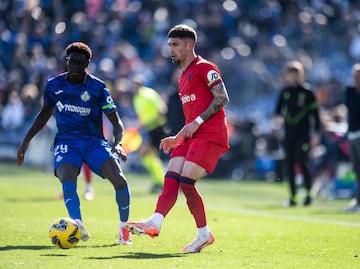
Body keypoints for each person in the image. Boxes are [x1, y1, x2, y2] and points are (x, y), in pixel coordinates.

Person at [126, 24, 230, 253]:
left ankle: (203, 233)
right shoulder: (183, 77)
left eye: (175, 45)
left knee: (186, 181)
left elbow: (222, 98)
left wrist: (196, 124)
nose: (171, 50)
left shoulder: (206, 67)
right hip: (191, 135)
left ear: (190, 44)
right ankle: (155, 221)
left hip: (210, 134)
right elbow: (192, 116)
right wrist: (178, 137)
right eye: (169, 45)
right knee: (171, 176)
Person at [17, 42, 132, 245]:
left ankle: (124, 228)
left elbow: (116, 122)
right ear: (66, 61)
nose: (75, 66)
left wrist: (118, 142)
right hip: (67, 142)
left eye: (80, 62)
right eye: (72, 62)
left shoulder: (98, 88)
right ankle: (77, 224)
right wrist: (26, 141)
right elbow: (44, 114)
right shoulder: (54, 85)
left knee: (120, 181)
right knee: (67, 178)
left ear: (87, 63)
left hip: (94, 142)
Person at [274, 61, 321, 207]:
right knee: (289, 164)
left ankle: (308, 194)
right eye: (290, 74)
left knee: (302, 162)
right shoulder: (285, 92)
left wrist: (316, 134)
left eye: (296, 74)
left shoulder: (307, 92)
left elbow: (315, 114)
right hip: (289, 134)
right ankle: (293, 197)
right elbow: (277, 111)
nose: (293, 77)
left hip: (304, 134)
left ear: (300, 75)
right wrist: (278, 123)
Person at [130, 77, 168, 193]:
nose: (133, 88)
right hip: (149, 130)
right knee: (148, 156)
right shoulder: (136, 98)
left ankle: (162, 182)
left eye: (134, 85)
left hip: (157, 128)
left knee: (146, 154)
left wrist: (147, 123)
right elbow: (142, 116)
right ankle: (160, 181)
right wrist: (137, 126)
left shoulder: (149, 94)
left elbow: (162, 110)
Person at [343, 63, 360, 213]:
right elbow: (350, 110)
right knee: (357, 169)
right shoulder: (350, 91)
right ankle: (358, 200)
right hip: (353, 133)